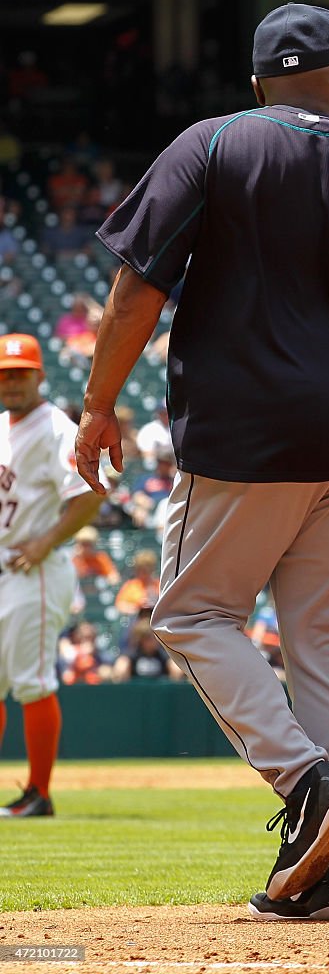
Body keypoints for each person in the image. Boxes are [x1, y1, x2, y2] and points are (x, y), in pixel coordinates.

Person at [73, 2, 329, 921]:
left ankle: (307, 787)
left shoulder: (213, 143)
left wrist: (101, 404)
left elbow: (138, 287)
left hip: (246, 428)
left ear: (259, 82)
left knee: (193, 614)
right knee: (321, 638)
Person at [0, 333, 102, 818]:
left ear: (40, 375)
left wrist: (45, 542)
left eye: (20, 372)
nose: (12, 381)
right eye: (5, 373)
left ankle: (39, 793)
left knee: (32, 682)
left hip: (34, 571)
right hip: (6, 569)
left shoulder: (55, 427)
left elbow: (90, 491)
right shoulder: (4, 426)